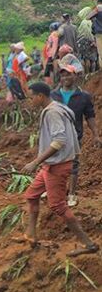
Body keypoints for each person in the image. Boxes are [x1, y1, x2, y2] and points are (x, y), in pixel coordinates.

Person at [20, 82, 98, 256]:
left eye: (32, 97)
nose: (30, 100)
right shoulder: (56, 108)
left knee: (58, 206)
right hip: (51, 164)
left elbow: (59, 140)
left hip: (57, 165)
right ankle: (30, 234)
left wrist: (35, 162)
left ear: (40, 96)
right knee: (31, 195)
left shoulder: (53, 113)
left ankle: (88, 244)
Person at [50, 68, 100, 207]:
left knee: (73, 165)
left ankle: (71, 194)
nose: (65, 77)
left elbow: (89, 116)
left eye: (68, 74)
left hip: (74, 136)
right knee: (54, 163)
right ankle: (55, 190)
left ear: (75, 76)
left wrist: (96, 134)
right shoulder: (54, 95)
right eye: (63, 75)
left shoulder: (83, 96)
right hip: (55, 136)